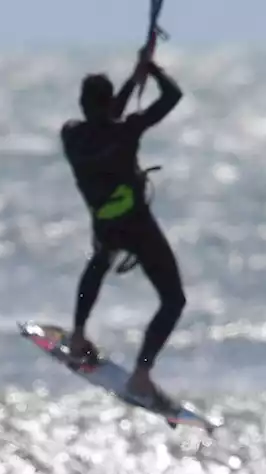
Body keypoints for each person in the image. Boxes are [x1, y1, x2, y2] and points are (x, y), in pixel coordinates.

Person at [59, 47, 185, 405]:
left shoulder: (71, 136)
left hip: (105, 226)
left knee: (98, 263)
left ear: (82, 104)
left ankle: (78, 336)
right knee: (173, 300)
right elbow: (173, 97)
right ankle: (142, 374)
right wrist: (153, 69)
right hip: (138, 228)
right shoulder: (127, 131)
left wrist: (134, 78)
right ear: (110, 101)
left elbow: (103, 118)